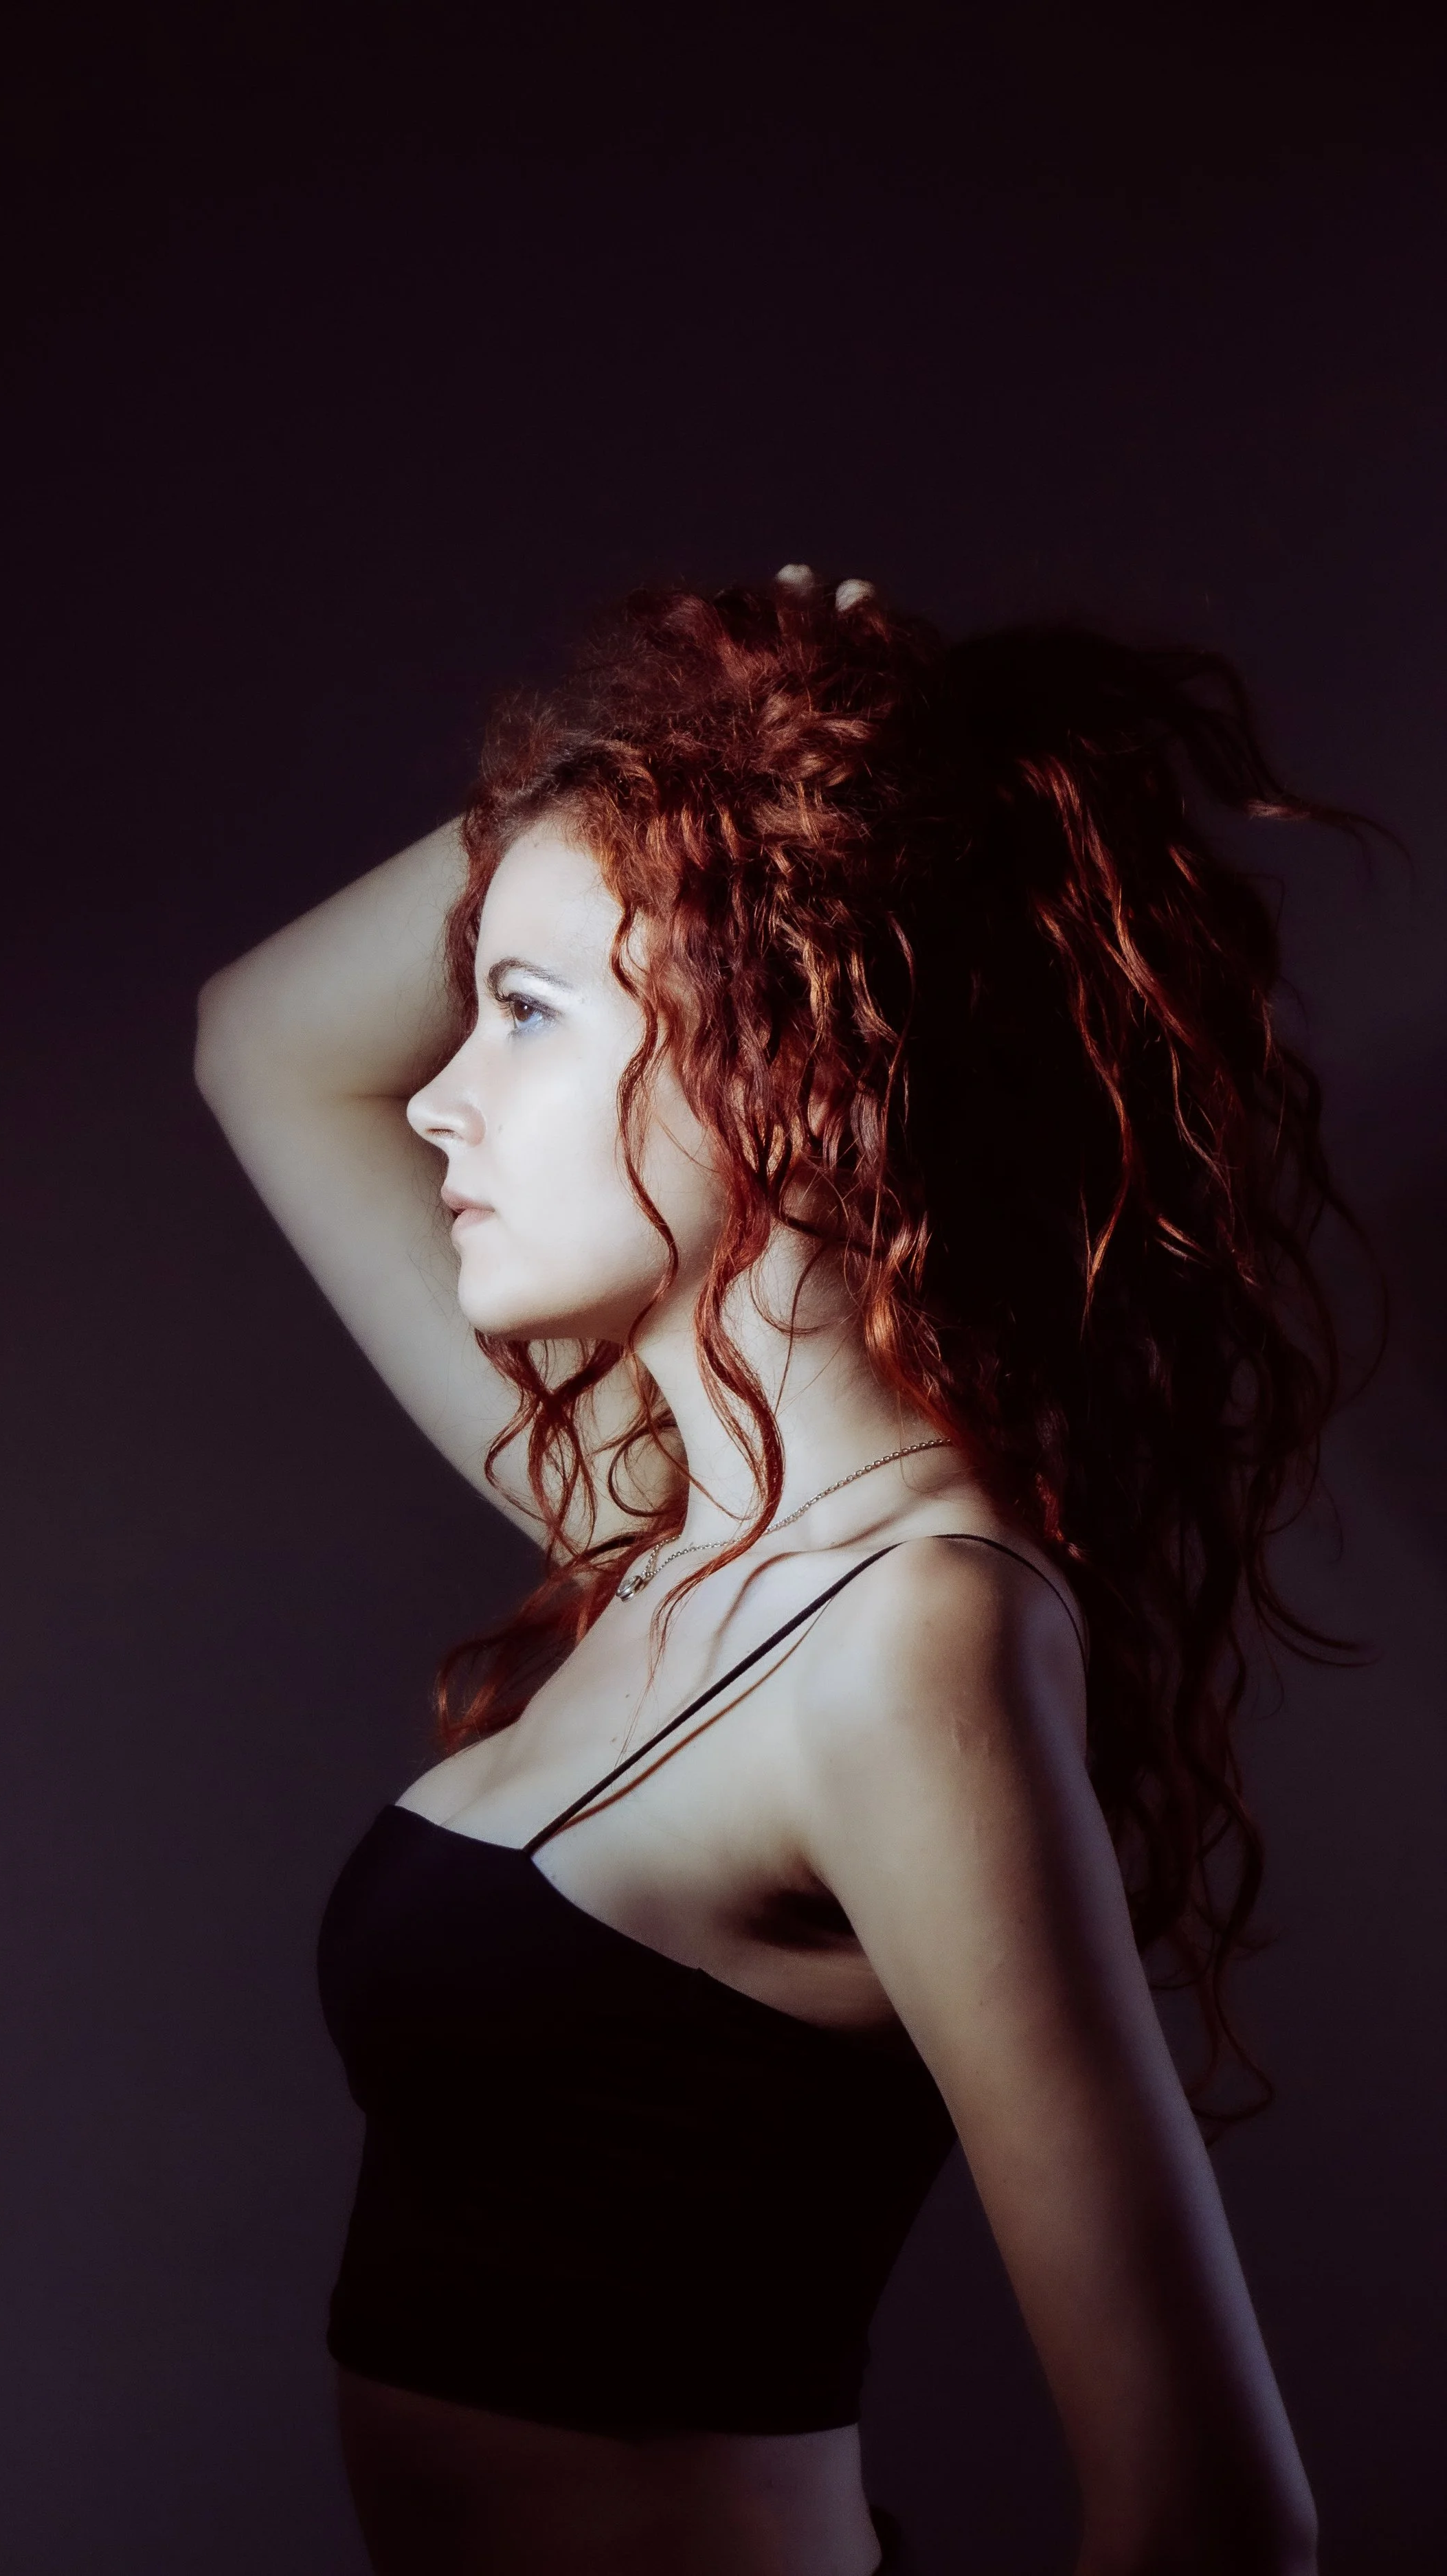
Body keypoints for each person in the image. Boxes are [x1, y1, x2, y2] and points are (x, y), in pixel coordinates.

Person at [194, 566, 1353, 2576]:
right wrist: (684, 781)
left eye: (527, 1013)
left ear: (788, 1044)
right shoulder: (658, 1517)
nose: (444, 1093)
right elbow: (262, 1041)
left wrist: (726, 832)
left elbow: (1213, 2517)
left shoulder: (914, 1634)